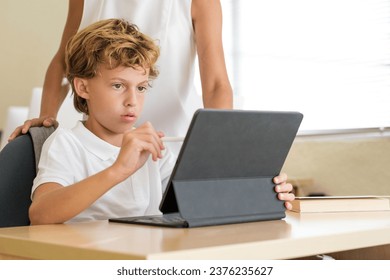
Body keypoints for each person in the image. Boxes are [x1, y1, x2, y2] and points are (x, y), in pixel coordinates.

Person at [29, 19, 294, 225]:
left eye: (141, 88)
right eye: (118, 85)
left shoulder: (150, 147)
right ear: (83, 88)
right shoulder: (66, 143)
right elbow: (40, 213)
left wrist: (260, 191)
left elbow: (194, 204)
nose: (132, 100)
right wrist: (118, 170)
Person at [9, 0, 234, 151]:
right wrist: (46, 118)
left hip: (172, 142)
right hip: (102, 142)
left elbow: (215, 84)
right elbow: (64, 60)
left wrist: (221, 140)